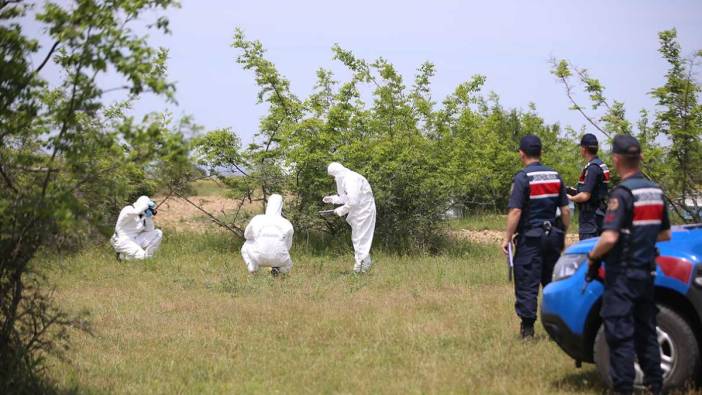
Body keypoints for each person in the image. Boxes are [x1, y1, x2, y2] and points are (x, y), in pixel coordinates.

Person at [584, 135, 671, 395]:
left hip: (622, 275)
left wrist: (592, 257)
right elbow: (665, 234)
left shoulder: (622, 193)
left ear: (617, 159)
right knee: (646, 333)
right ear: (640, 157)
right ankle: (656, 386)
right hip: (646, 273)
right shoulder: (655, 191)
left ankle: (623, 388)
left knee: (620, 336)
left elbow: (609, 237)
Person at [501, 135, 570, 339]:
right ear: (540, 152)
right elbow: (566, 211)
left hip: (531, 238)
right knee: (552, 283)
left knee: (527, 282)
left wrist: (507, 238)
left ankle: (528, 329)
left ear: (521, 153)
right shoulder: (555, 175)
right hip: (553, 237)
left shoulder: (523, 177)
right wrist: (562, 235)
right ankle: (558, 329)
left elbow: (515, 212)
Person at [323, 162, 376, 273]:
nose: (334, 179)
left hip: (364, 211)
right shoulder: (347, 178)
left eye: (333, 176)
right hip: (359, 212)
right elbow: (346, 198)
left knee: (361, 239)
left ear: (337, 173)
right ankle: (363, 266)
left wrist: (339, 211)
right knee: (358, 239)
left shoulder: (351, 179)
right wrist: (332, 199)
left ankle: (360, 268)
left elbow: (353, 201)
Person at [568, 133, 610, 240]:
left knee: (587, 252)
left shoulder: (592, 168)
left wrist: (571, 198)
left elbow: (585, 196)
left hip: (591, 218)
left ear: (584, 149)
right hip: (599, 214)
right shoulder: (601, 164)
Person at [241, 194, 294, 276]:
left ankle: (253, 269)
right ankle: (279, 270)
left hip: (258, 257)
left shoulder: (257, 219)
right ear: (281, 206)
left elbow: (246, 235)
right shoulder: (286, 223)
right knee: (287, 263)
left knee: (245, 246)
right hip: (280, 259)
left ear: (268, 204)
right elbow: (288, 245)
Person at [111, 196, 162, 260]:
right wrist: (145, 207)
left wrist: (148, 217)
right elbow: (134, 213)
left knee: (158, 233)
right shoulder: (128, 209)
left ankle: (148, 255)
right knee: (144, 257)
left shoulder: (143, 216)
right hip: (122, 240)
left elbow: (150, 230)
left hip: (134, 239)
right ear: (142, 204)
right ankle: (123, 257)